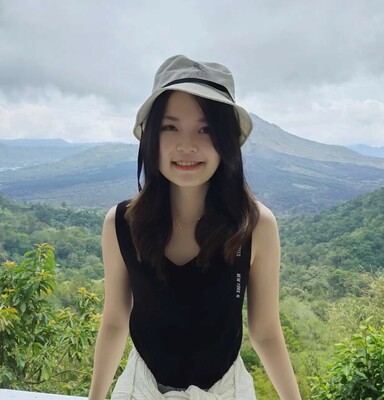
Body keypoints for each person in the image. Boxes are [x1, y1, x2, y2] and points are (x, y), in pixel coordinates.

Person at [88, 55, 302, 400]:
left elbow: (265, 332)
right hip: (141, 390)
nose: (186, 145)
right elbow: (114, 320)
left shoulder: (254, 226)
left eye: (205, 129)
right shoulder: (122, 224)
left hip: (226, 391)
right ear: (151, 137)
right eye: (170, 127)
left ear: (226, 141)